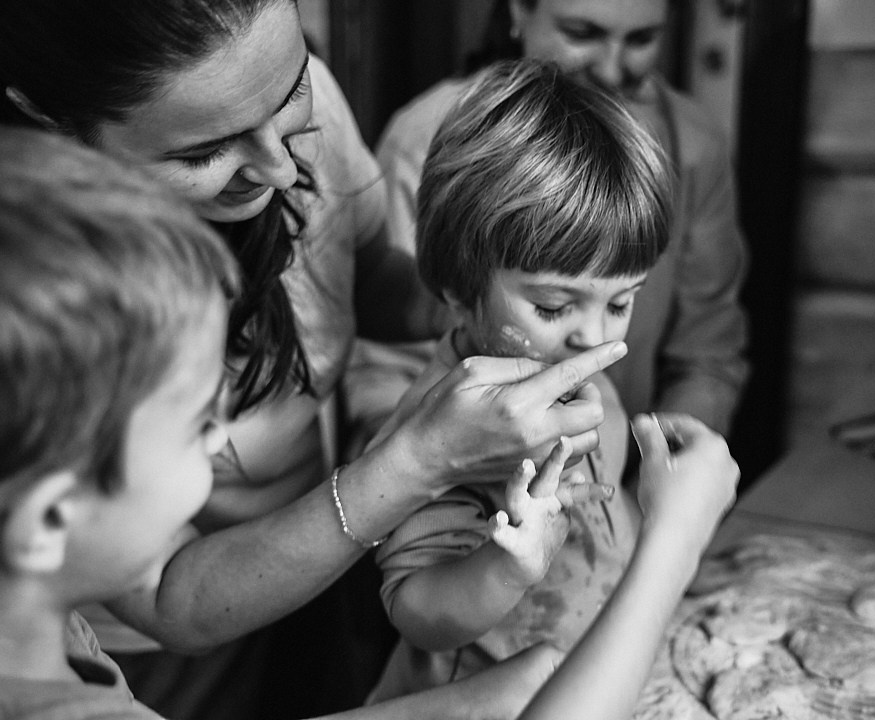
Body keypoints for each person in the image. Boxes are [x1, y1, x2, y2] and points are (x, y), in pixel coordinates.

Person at [0, 2, 622, 717]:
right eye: (205, 153)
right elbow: (174, 596)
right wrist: (419, 459)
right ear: (53, 126)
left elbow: (371, 279)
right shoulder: (42, 293)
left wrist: (505, 289)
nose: (278, 166)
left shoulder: (264, 95)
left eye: (292, 91)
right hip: (175, 649)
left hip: (327, 564)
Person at [364, 59, 678, 701]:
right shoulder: (446, 430)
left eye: (621, 302)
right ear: (458, 289)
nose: (595, 337)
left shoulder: (567, 370)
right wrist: (507, 564)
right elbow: (417, 611)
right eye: (554, 307)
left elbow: (599, 502)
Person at [372, 0, 750, 440]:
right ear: (518, 11)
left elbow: (708, 351)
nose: (611, 71)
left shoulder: (694, 143)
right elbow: (385, 376)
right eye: (581, 33)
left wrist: (654, 468)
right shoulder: (432, 143)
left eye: (641, 40)